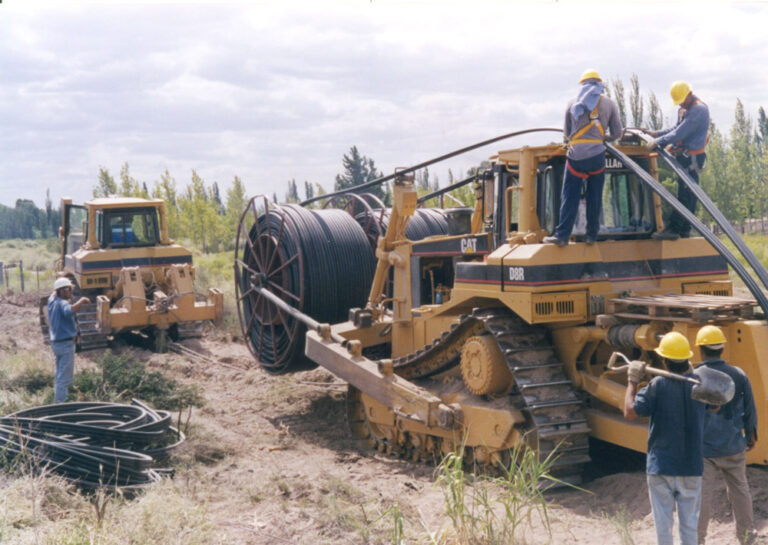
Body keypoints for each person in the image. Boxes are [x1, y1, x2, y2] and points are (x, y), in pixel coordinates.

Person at [623, 331, 706, 545]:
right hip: (691, 466)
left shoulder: (657, 386)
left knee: (663, 528)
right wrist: (693, 373)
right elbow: (715, 407)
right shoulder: (700, 386)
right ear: (687, 359)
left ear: (663, 360)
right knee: (689, 527)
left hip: (661, 467)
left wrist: (632, 381)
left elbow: (630, 412)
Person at [543, 69, 623, 246]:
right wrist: (602, 138)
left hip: (576, 158)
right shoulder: (609, 104)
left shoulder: (572, 103)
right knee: (594, 197)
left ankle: (562, 236)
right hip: (597, 157)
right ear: (599, 85)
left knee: (570, 196)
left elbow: (567, 134)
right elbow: (617, 132)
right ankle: (591, 236)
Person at [695, 325, 757, 545]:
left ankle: (697, 540)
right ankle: (747, 537)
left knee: (701, 497)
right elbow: (750, 407)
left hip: (705, 450)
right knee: (740, 491)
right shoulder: (739, 374)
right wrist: (751, 434)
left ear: (701, 349)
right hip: (734, 446)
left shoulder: (695, 376)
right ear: (722, 348)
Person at [646, 81, 710, 240]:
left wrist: (659, 141)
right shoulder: (685, 109)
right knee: (687, 194)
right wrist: (657, 134)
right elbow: (675, 129)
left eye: (683, 100)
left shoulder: (698, 110)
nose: (681, 103)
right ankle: (684, 229)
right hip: (684, 156)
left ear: (689, 94)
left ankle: (675, 229)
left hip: (693, 157)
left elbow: (680, 133)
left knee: (687, 195)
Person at [47, 277, 89, 403]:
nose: (71, 292)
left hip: (56, 344)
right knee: (64, 378)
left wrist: (57, 290)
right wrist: (81, 301)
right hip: (65, 344)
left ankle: (58, 399)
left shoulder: (52, 301)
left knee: (59, 374)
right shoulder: (63, 304)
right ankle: (60, 406)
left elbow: (52, 295)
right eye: (69, 289)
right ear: (62, 291)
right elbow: (69, 310)